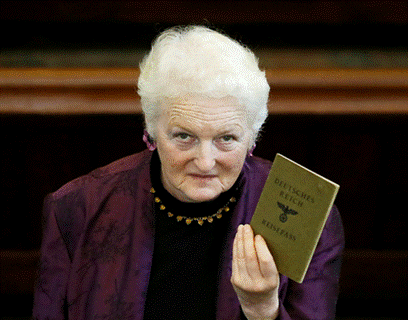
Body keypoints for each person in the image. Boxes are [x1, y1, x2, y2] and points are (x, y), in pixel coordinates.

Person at [32, 26, 344, 320]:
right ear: (152, 132)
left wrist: (263, 310)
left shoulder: (310, 216)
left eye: (226, 138)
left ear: (251, 139)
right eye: (184, 136)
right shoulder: (77, 208)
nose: (205, 162)